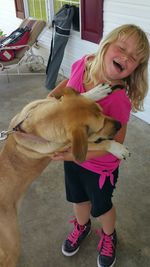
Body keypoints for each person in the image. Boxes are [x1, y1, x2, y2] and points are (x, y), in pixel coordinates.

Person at [47, 24, 150, 267]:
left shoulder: (117, 98)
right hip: (73, 157)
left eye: (133, 57)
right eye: (122, 47)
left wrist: (73, 154)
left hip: (99, 167)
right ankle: (81, 227)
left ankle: (108, 234)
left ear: (136, 68)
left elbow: (116, 145)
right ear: (106, 44)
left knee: (102, 207)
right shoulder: (84, 63)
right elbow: (68, 86)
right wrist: (54, 96)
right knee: (78, 199)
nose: (125, 56)